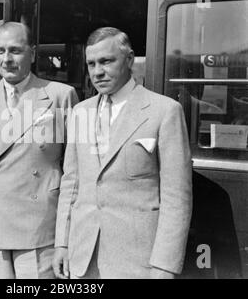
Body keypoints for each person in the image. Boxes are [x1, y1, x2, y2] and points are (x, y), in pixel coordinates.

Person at [53, 27, 192, 279]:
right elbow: (71, 183)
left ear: (129, 60)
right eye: (91, 63)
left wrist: (165, 265)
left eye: (106, 61)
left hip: (138, 262)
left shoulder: (164, 111)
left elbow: (176, 197)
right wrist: (62, 243)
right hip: (83, 258)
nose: (97, 72)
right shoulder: (80, 112)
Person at [0, 22, 79, 279]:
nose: (6, 59)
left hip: (39, 225)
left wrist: (64, 236)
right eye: (0, 51)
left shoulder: (60, 96)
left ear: (32, 53)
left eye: (15, 50)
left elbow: (74, 169)